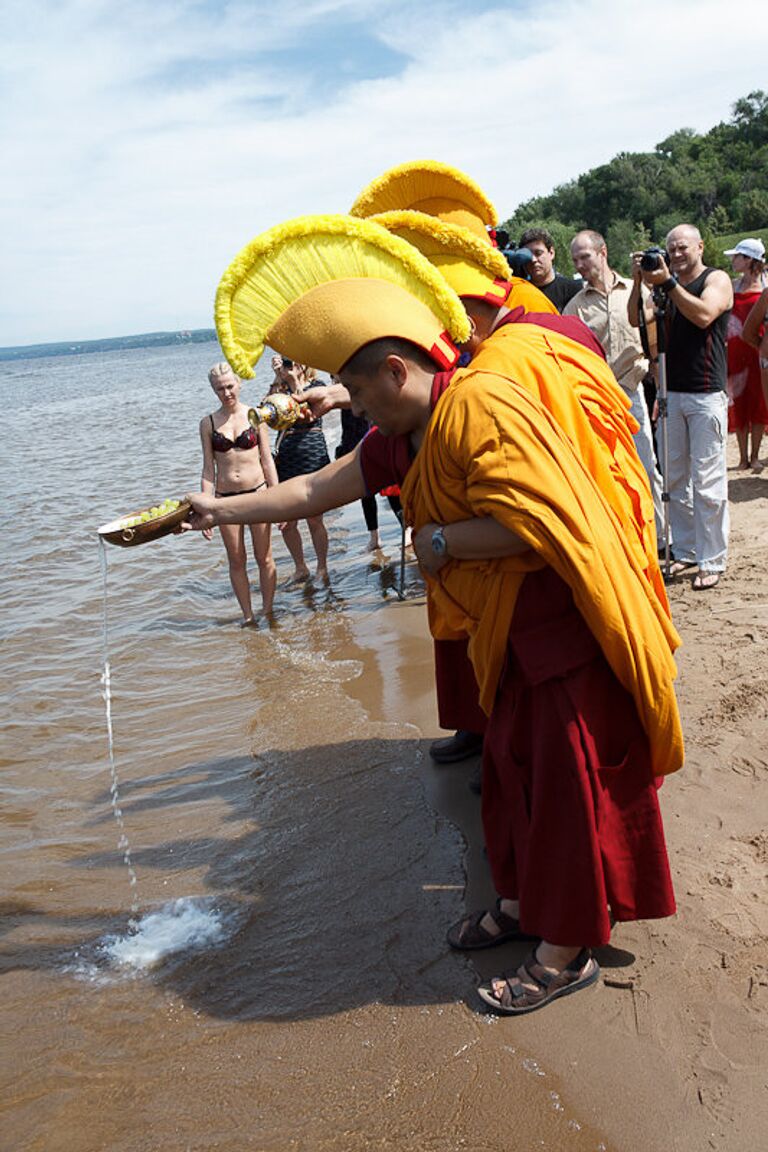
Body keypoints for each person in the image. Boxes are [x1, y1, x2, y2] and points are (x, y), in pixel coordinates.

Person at [189, 213, 683, 1015]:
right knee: (512, 777)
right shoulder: (405, 431)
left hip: (559, 629)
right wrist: (218, 510)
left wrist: (443, 544)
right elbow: (319, 487)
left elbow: (544, 521)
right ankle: (526, 905)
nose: (348, 404)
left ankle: (566, 952)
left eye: (353, 388)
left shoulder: (479, 406)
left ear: (394, 368)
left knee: (563, 789)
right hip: (505, 637)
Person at [629, 225, 733, 591]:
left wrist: (669, 283)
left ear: (700, 246)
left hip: (705, 393)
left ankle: (712, 558)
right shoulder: (661, 288)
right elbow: (635, 322)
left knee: (707, 481)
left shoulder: (716, 279)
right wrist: (640, 282)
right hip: (671, 393)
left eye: (683, 247)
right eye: (671, 248)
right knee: (674, 477)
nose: (676, 253)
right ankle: (687, 546)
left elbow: (705, 315)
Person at [564, 230, 666, 548]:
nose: (579, 265)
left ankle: (661, 539)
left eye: (585, 256)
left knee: (647, 467)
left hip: (635, 390)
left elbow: (655, 341)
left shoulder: (637, 292)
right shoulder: (574, 308)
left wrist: (660, 386)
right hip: (597, 398)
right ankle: (627, 541)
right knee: (608, 473)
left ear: (603, 252)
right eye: (575, 259)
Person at [200, 362, 277, 624]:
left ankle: (268, 610)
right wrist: (206, 507)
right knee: (236, 560)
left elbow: (267, 459)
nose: (227, 392)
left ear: (239, 384)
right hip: (225, 499)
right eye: (220, 389)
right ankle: (248, 617)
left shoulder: (256, 415)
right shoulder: (208, 423)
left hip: (257, 493)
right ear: (214, 391)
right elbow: (208, 469)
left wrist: (279, 499)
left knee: (264, 557)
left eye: (230, 386)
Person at [268, 359, 331, 583]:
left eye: (292, 361)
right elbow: (266, 416)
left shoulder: (318, 385)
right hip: (286, 454)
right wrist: (278, 378)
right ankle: (300, 567)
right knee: (287, 520)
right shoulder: (280, 389)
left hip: (311, 451)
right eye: (286, 361)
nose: (289, 365)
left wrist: (295, 382)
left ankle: (322, 566)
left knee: (314, 517)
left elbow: (306, 415)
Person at [723, 238, 767, 471]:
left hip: (758, 350)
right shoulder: (731, 285)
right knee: (739, 402)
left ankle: (756, 454)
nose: (733, 261)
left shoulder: (765, 287)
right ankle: (742, 457)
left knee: (759, 402)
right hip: (735, 351)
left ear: (749, 260)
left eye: (737, 257)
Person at [336, 404, 405, 552]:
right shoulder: (347, 399)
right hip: (355, 444)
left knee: (391, 491)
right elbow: (346, 427)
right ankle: (374, 537)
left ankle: (407, 529)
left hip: (373, 441)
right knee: (366, 494)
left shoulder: (361, 391)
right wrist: (344, 447)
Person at [518, 227, 582, 312]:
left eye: (538, 253)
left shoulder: (574, 291)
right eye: (528, 255)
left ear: (551, 253)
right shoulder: (519, 293)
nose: (533, 260)